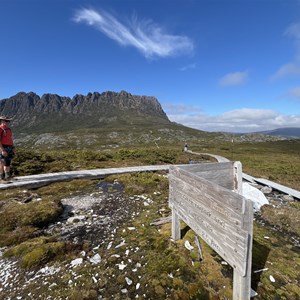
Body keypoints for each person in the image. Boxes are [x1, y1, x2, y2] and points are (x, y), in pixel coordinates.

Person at [0, 116, 15, 182]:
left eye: (8, 121)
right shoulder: (0, 129)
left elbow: (10, 139)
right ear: (2, 121)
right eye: (6, 121)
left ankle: (8, 176)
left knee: (8, 162)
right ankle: (1, 177)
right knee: (2, 162)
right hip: (3, 147)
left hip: (9, 147)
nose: (7, 122)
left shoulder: (8, 129)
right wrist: (2, 150)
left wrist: (13, 147)